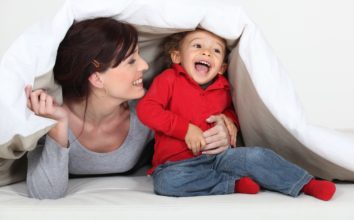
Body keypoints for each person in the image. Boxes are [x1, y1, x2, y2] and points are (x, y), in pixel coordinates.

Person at [25, 18, 232, 200]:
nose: (144, 66)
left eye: (139, 55)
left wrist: (226, 125)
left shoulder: (146, 115)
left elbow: (197, 119)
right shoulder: (50, 115)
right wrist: (58, 129)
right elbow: (46, 194)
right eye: (131, 61)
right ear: (97, 78)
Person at [136, 29, 336, 201]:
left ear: (222, 68)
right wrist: (185, 129)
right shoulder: (169, 79)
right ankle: (231, 184)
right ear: (177, 56)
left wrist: (231, 121)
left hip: (220, 159)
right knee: (166, 184)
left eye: (216, 50)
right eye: (197, 46)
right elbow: (147, 109)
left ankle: (305, 183)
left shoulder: (223, 88)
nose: (206, 52)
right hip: (176, 165)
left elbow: (230, 112)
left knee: (256, 155)